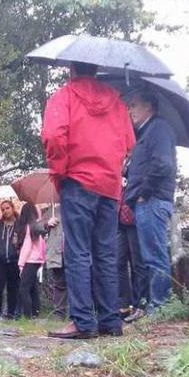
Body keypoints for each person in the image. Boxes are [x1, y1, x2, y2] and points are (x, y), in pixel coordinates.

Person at [41, 61, 136, 339]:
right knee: (106, 253)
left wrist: (60, 171)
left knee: (78, 252)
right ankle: (110, 321)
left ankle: (82, 321)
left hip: (78, 181)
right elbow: (129, 142)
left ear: (72, 70)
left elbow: (53, 136)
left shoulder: (64, 96)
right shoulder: (116, 102)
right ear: (96, 71)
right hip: (109, 186)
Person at [124, 89, 177, 315]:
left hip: (153, 201)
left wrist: (144, 192)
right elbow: (146, 165)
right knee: (148, 256)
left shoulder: (158, 129)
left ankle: (160, 307)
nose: (130, 110)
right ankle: (153, 305)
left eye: (134, 105)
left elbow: (163, 165)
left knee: (155, 255)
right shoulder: (145, 134)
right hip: (145, 202)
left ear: (149, 106)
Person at [117, 169, 148, 323]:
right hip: (119, 218)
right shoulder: (122, 163)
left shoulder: (138, 160)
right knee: (118, 262)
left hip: (135, 216)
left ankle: (140, 304)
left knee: (138, 263)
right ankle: (123, 305)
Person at [14, 203, 51, 319]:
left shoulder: (28, 228)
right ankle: (35, 312)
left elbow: (26, 247)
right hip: (37, 261)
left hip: (29, 261)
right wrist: (42, 260)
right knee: (33, 287)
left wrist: (21, 264)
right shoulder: (37, 228)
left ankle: (28, 315)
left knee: (24, 289)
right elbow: (43, 246)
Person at [43, 205, 67, 318]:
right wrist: (47, 223)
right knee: (59, 283)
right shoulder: (53, 211)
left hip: (75, 252)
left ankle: (78, 312)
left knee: (78, 281)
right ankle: (59, 313)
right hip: (57, 252)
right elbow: (36, 227)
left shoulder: (78, 207)